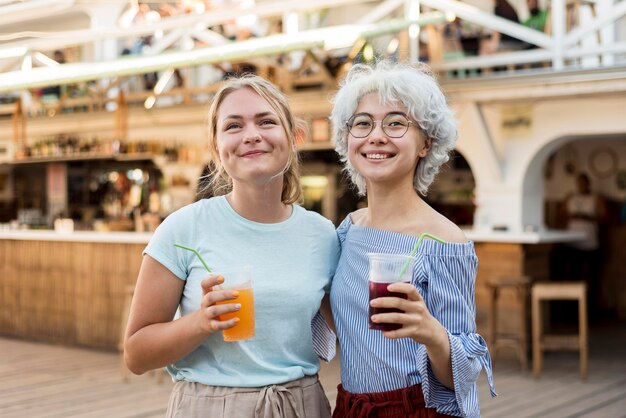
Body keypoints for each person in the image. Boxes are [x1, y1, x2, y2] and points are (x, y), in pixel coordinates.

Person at [124, 75, 339, 417]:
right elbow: (136, 355)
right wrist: (201, 322)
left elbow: (348, 334)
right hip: (208, 407)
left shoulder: (322, 234)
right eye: (234, 125)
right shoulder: (182, 229)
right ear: (217, 147)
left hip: (301, 406)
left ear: (293, 138)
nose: (251, 134)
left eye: (266, 121)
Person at [325, 61, 495, 417]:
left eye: (396, 123)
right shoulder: (349, 228)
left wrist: (431, 332)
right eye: (362, 123)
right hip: (351, 406)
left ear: (425, 144)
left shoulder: (444, 242)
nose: (376, 135)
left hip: (415, 407)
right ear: (348, 140)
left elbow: (461, 379)